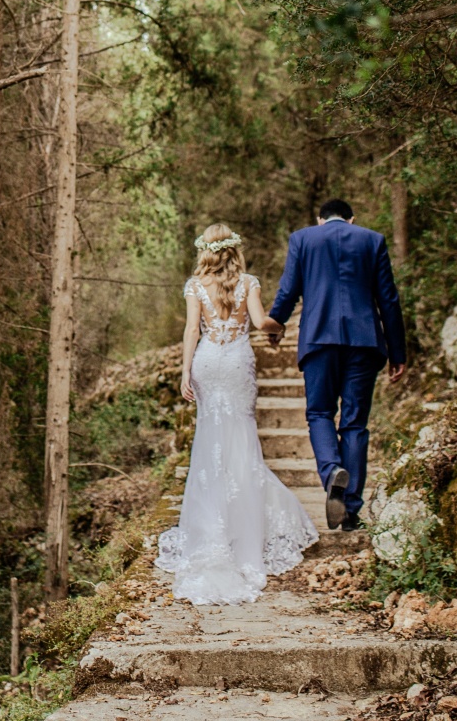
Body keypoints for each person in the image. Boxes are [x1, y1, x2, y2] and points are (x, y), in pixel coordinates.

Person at [156, 223, 318, 605]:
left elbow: (192, 330)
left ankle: (211, 528)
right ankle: (244, 530)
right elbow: (262, 323)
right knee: (242, 438)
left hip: (208, 363)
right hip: (237, 364)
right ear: (234, 250)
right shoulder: (249, 283)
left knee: (210, 442)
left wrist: (185, 372)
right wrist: (280, 327)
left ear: (205, 251)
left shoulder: (195, 286)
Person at [266, 198, 406, 532]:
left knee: (320, 413)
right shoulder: (372, 240)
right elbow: (388, 299)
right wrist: (398, 353)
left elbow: (289, 289)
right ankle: (351, 512)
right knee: (355, 423)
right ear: (351, 219)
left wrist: (276, 324)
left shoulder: (303, 239)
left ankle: (331, 472)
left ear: (320, 220)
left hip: (318, 339)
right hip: (364, 341)